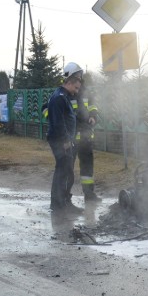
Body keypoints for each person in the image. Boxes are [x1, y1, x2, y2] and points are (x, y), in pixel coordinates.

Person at [46, 62, 83, 214]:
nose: (79, 85)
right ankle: (60, 204)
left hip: (64, 141)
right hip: (61, 142)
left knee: (65, 171)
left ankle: (63, 202)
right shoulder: (59, 98)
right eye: (78, 82)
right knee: (63, 172)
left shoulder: (63, 96)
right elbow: (58, 122)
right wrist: (66, 141)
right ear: (70, 81)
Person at [72, 80, 100, 202]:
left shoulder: (87, 94)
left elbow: (93, 107)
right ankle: (63, 198)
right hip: (71, 139)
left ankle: (89, 194)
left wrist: (93, 116)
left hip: (85, 138)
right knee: (67, 169)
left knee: (87, 168)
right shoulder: (66, 94)